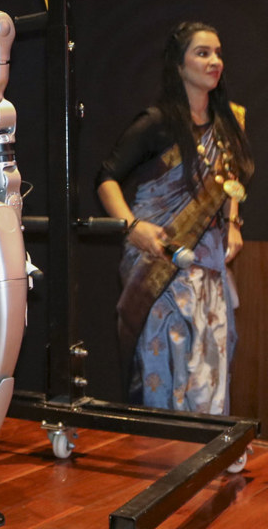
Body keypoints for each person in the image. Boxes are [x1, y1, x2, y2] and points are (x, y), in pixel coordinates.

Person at [96, 21, 253, 414]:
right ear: (179, 65)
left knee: (211, 356)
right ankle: (160, 457)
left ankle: (206, 449)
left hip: (209, 265)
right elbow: (105, 178)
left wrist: (233, 223)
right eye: (203, 53)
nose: (215, 61)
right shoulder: (157, 122)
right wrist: (132, 228)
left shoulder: (228, 123)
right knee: (164, 355)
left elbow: (228, 178)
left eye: (218, 53)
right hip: (159, 262)